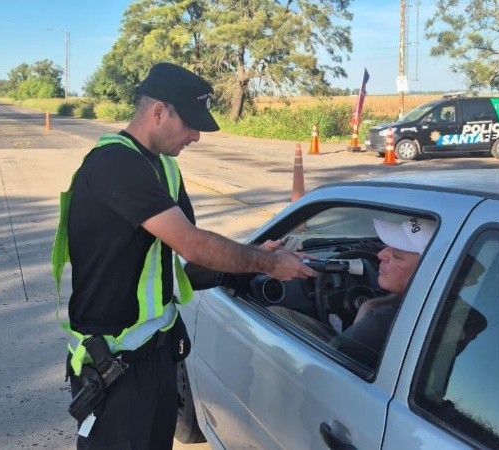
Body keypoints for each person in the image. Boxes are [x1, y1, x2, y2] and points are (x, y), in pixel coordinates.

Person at [51, 61, 317, 449]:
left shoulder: (163, 168)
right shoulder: (115, 164)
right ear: (159, 112)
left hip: (157, 357)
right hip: (113, 365)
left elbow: (184, 258)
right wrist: (268, 264)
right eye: (191, 124)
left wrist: (253, 256)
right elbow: (192, 243)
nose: (196, 136)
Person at [330, 216, 436, 364]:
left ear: (426, 272)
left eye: (397, 256)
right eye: (387, 245)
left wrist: (368, 317)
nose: (380, 254)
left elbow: (327, 365)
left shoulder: (383, 323)